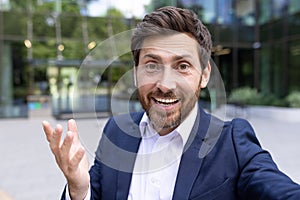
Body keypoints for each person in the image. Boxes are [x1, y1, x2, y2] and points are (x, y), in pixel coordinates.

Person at [42, 6, 300, 200]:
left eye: (183, 66)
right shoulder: (116, 131)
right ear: (135, 73)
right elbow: (94, 192)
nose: (166, 84)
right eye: (152, 65)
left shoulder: (232, 142)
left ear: (205, 75)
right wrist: (78, 188)